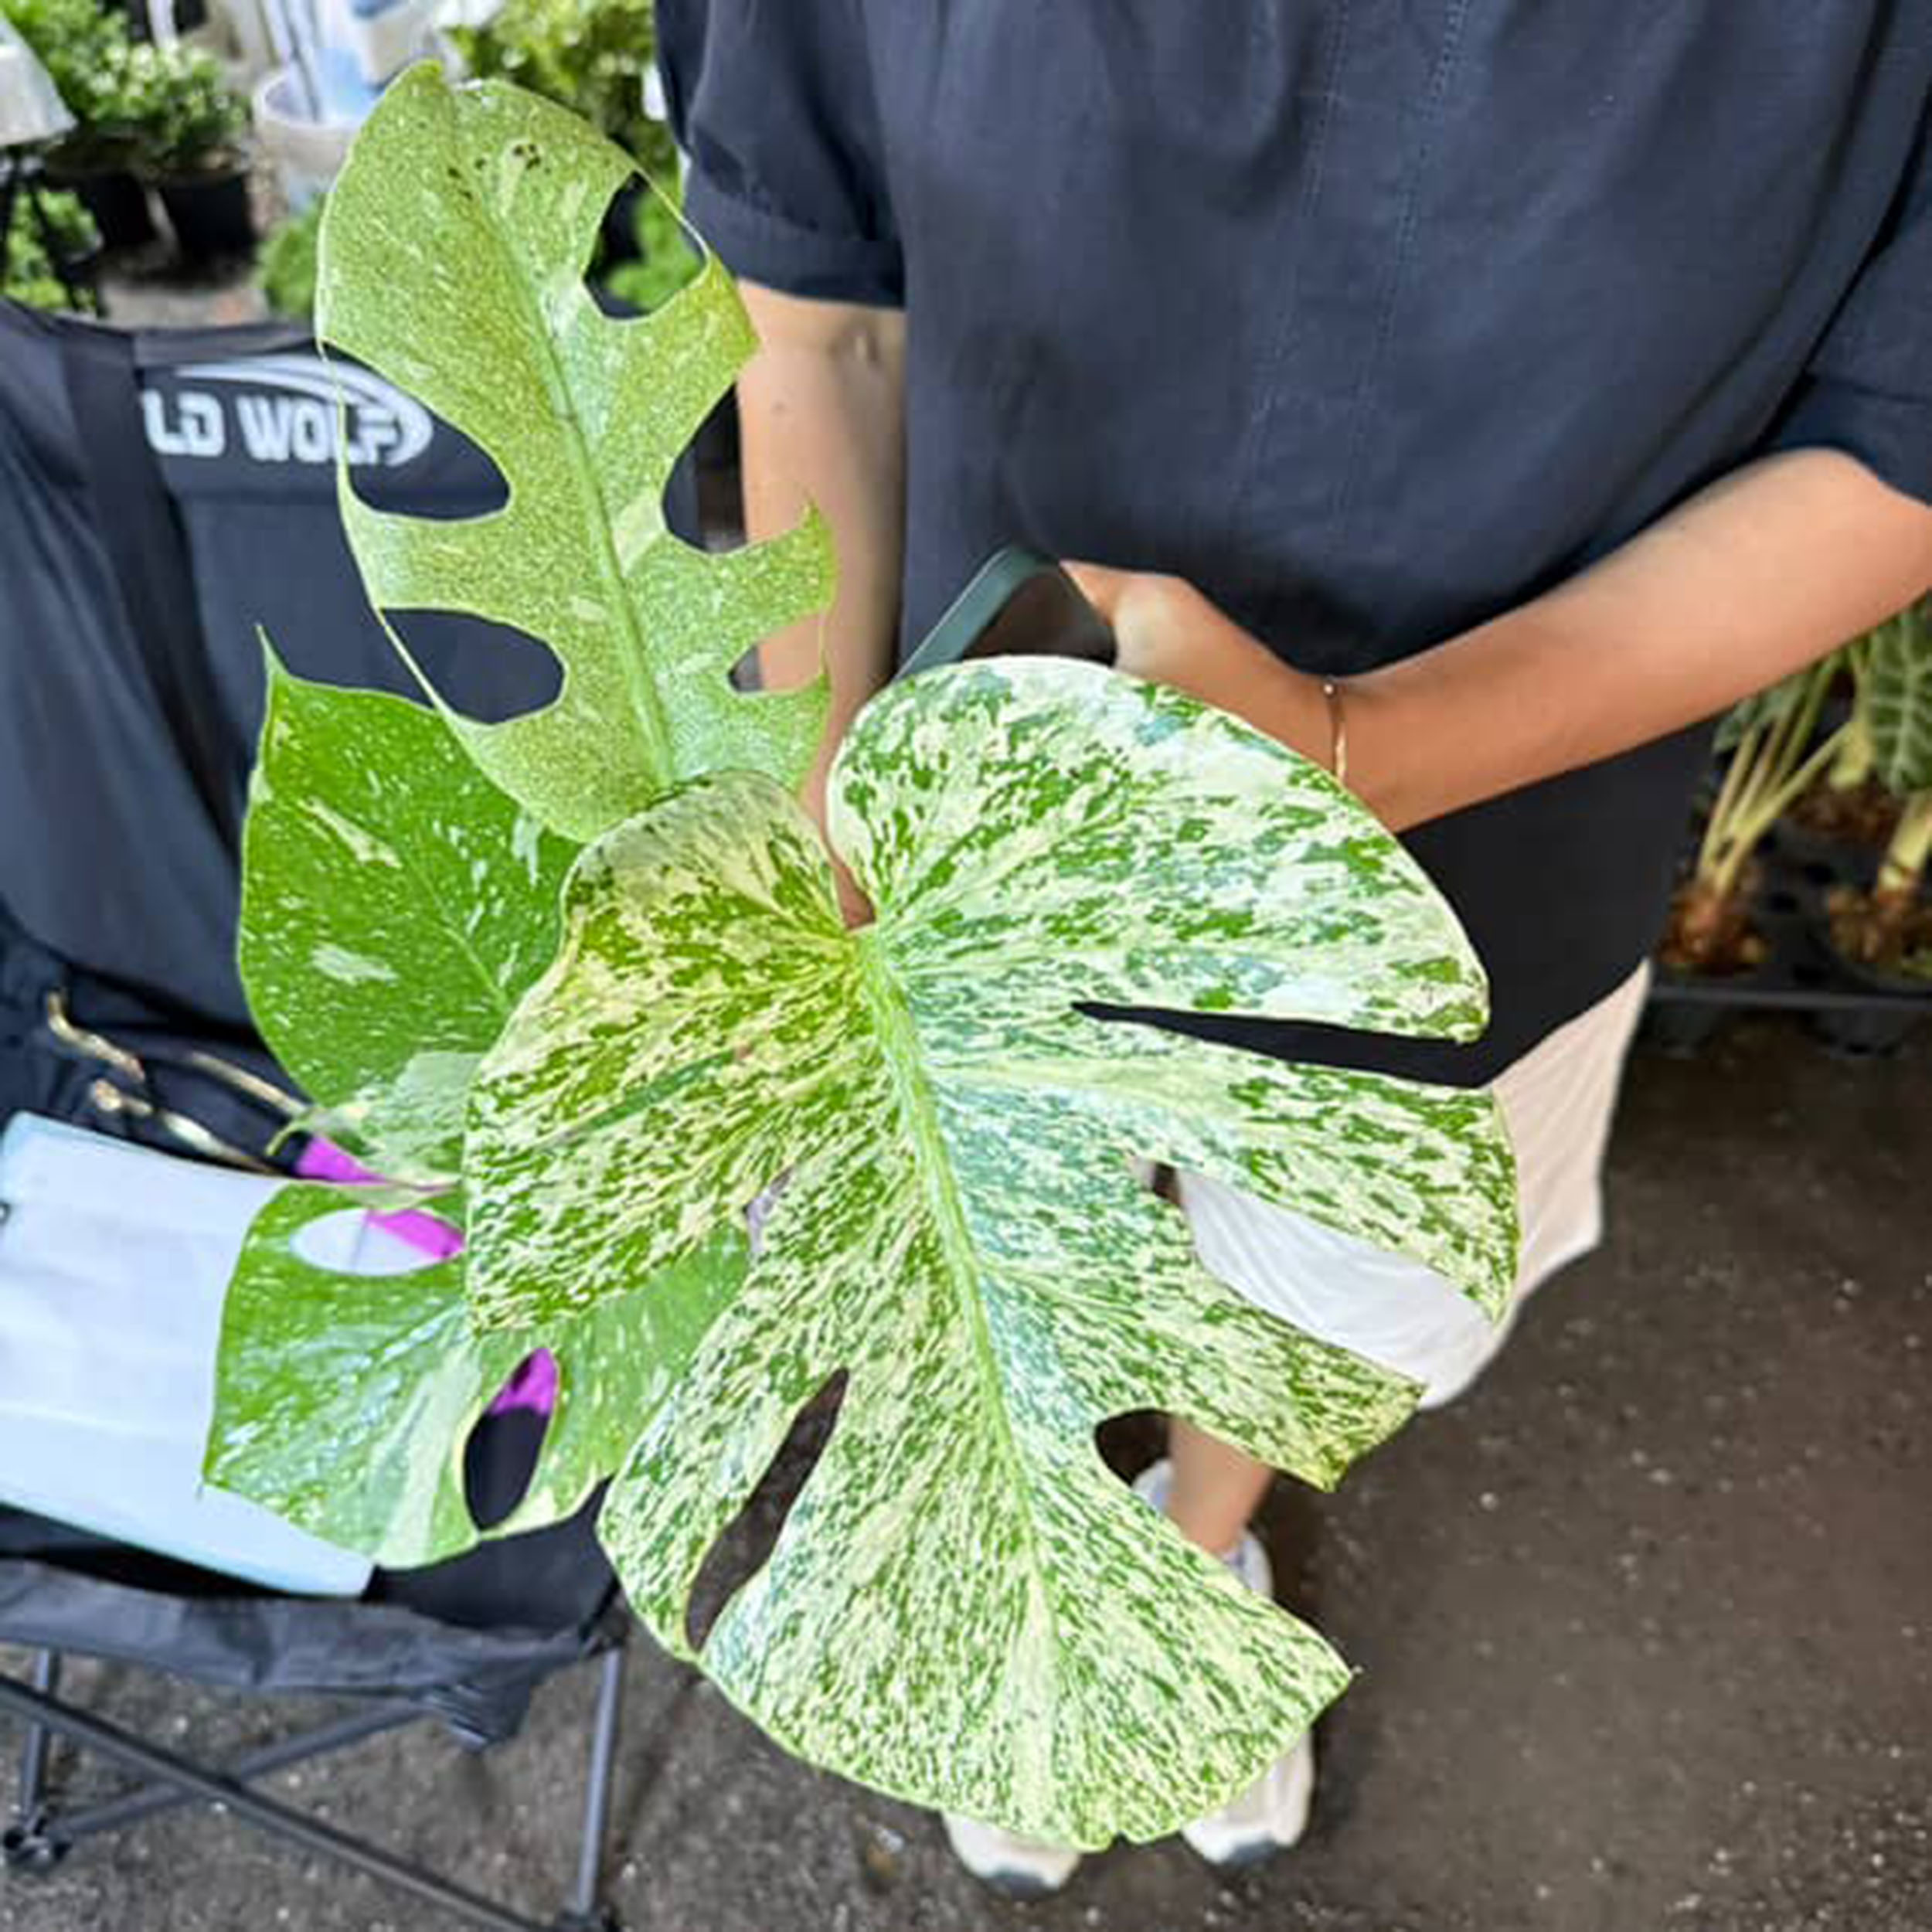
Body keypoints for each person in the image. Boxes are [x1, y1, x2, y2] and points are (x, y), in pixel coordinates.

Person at [655, 3, 1932, 1893]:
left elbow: (1899, 441)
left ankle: (1189, 1546)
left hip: (1483, 832)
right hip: (961, 784)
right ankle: (1045, 1572)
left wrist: (1350, 751)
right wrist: (819, 788)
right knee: (987, 1232)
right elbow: (812, 288)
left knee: (1302, 1289)